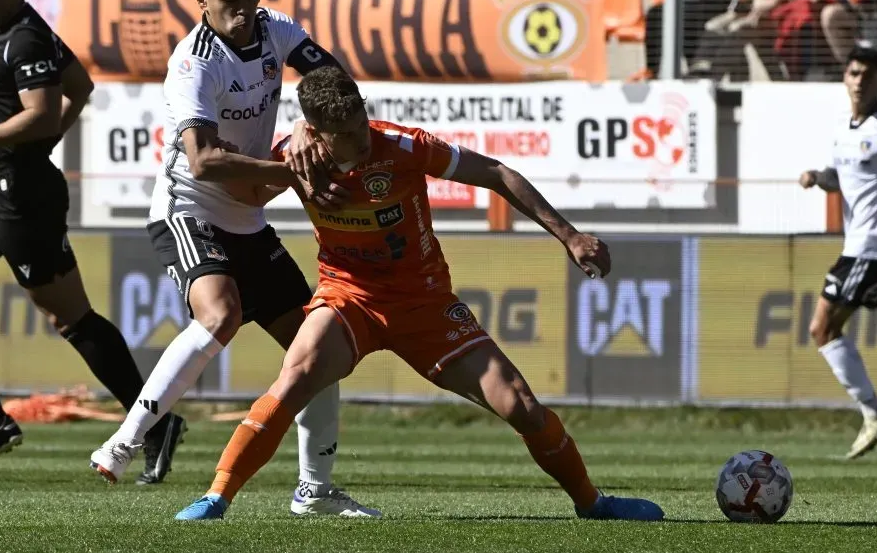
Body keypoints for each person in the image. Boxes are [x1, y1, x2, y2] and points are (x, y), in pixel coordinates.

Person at [174, 66, 666, 522]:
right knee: (295, 377)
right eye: (342, 134)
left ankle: (591, 502)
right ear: (316, 132)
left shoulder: (403, 146)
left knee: (520, 405)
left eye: (360, 122)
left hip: (425, 302)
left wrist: (570, 235)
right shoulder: (296, 157)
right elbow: (241, 198)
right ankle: (217, 495)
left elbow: (496, 173)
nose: (359, 140)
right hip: (349, 297)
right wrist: (281, 167)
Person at [87, 0, 379, 518]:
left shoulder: (276, 29)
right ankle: (126, 439)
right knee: (220, 314)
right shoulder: (191, 64)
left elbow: (337, 88)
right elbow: (203, 161)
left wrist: (307, 127)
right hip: (188, 207)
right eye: (230, 1)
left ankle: (315, 491)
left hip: (247, 216)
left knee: (317, 350)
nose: (245, 12)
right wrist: (291, 170)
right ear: (200, 0)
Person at [0, 0, 184, 481]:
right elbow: (80, 86)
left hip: (23, 199)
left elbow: (41, 111)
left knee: (72, 317)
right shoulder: (15, 35)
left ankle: (154, 422)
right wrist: (30, 142)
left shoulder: (26, 40)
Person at [799, 45, 877, 459]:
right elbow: (842, 177)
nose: (859, 82)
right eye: (854, 73)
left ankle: (874, 412)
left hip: (869, 248)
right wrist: (817, 177)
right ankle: (875, 412)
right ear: (845, 77)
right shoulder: (843, 127)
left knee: (822, 327)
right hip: (869, 249)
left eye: (868, 76)